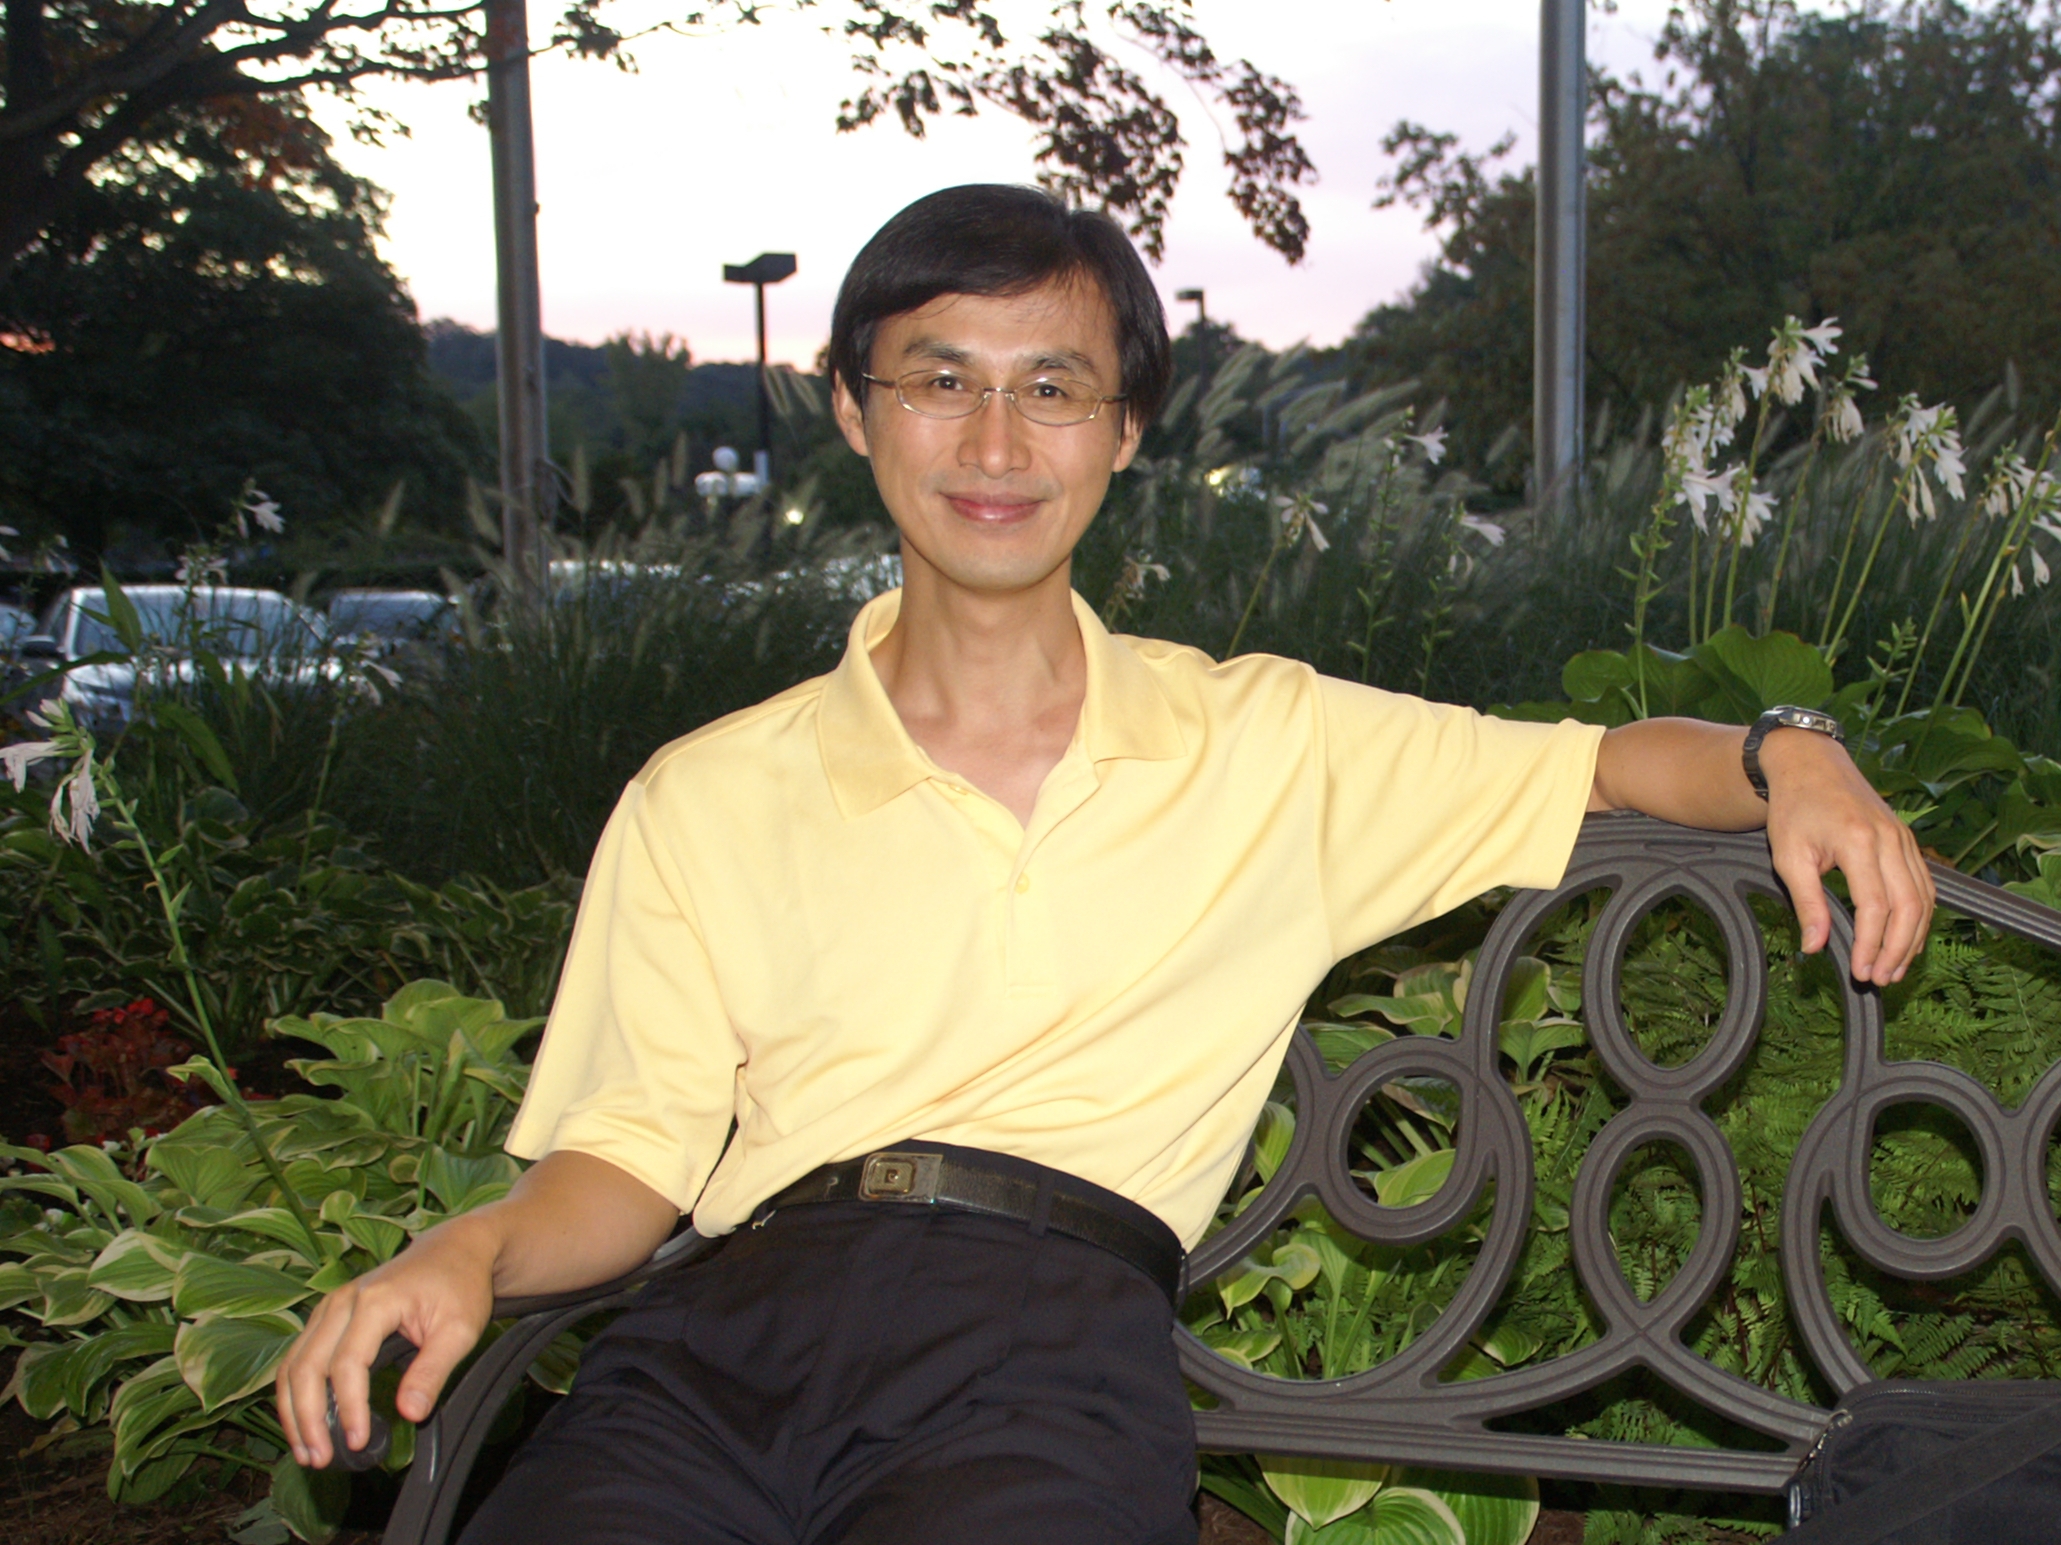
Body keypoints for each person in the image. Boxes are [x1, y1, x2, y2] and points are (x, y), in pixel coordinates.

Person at [275, 185, 1934, 1544]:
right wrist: (472, 1248)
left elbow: (1604, 764)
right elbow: (627, 1159)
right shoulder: (705, 792)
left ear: (1125, 428)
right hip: (718, 1339)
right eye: (940, 379)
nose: (995, 441)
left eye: (1052, 387)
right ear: (854, 408)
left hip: (1043, 1345)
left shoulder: (1266, 744)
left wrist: (1792, 748)